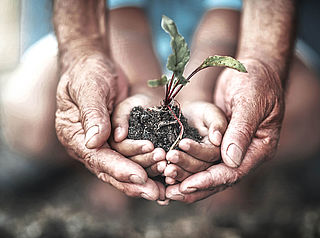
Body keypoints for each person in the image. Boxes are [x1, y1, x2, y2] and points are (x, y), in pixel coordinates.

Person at [1, 0, 320, 205]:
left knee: (301, 108)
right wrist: (140, 89)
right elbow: (122, 21)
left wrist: (196, 94)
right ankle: (92, 169)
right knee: (34, 112)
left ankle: (241, 175)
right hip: (117, 51)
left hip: (230, 50)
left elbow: (224, 23)